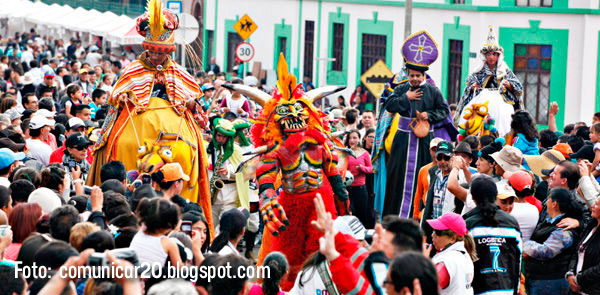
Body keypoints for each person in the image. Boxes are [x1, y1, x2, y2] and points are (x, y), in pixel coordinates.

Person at [381, 31, 450, 219]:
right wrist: (406, 97)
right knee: (397, 179)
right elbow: (388, 105)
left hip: (425, 143)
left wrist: (429, 115)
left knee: (422, 177)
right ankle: (393, 219)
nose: (415, 79)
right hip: (403, 141)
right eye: (412, 75)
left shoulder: (434, 91)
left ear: (424, 75)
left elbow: (444, 111)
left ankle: (417, 217)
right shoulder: (402, 88)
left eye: (418, 76)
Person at [454, 25, 523, 136]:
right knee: (468, 112)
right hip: (481, 99)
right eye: (488, 54)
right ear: (484, 56)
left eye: (494, 54)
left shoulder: (505, 71)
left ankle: (503, 136)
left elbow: (519, 88)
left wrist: (509, 85)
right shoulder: (478, 71)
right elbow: (469, 86)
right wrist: (472, 87)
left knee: (505, 114)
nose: (491, 57)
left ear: (498, 56)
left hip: (501, 100)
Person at [464, 175, 522, 295]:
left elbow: (464, 263)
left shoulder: (468, 224)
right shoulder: (512, 223)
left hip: (478, 289)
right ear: (495, 196)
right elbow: (518, 260)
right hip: (507, 289)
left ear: (473, 197)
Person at [524, 188, 579, 294]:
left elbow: (545, 251)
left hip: (551, 281)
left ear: (554, 204)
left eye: (548, 199)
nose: (546, 202)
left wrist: (525, 245)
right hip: (539, 278)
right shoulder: (548, 221)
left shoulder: (565, 228)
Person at [207, 118, 251, 232]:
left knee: (223, 227)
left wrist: (229, 170)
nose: (220, 139)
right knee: (209, 225)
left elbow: (246, 171)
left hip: (230, 193)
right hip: (213, 193)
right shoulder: (210, 147)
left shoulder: (236, 149)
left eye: (224, 137)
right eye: (218, 135)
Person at [426, 213, 476, 295]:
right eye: (433, 231)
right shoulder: (462, 255)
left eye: (438, 232)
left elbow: (423, 287)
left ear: (453, 238)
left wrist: (422, 261)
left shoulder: (447, 260)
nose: (433, 235)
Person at [130, 197, 182, 270]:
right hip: (152, 280)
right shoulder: (170, 244)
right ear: (170, 223)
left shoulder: (140, 231)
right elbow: (180, 270)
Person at [566, 200, 600, 294]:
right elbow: (577, 251)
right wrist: (570, 272)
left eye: (596, 204)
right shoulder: (591, 225)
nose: (592, 206)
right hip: (577, 289)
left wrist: (579, 279)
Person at [344, 129, 373, 226]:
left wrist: (361, 168)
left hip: (360, 189)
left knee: (362, 215)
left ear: (359, 139)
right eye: (350, 138)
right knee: (351, 215)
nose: (352, 140)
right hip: (348, 189)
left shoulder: (364, 153)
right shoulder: (344, 153)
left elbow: (370, 169)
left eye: (355, 138)